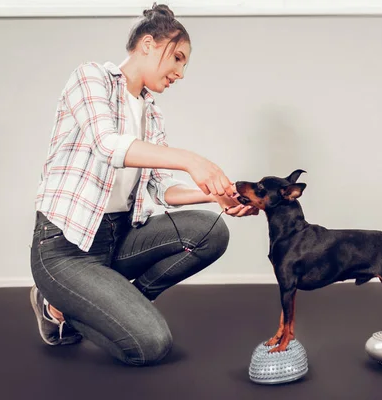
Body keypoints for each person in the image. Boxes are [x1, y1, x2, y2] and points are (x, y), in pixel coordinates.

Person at [29, 2, 257, 366]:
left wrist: (215, 196)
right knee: (150, 345)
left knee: (211, 232)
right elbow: (107, 144)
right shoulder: (91, 78)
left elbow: (159, 189)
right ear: (148, 44)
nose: (181, 72)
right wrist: (191, 159)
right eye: (178, 58)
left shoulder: (151, 112)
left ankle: (120, 300)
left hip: (117, 239)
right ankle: (55, 304)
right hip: (66, 248)